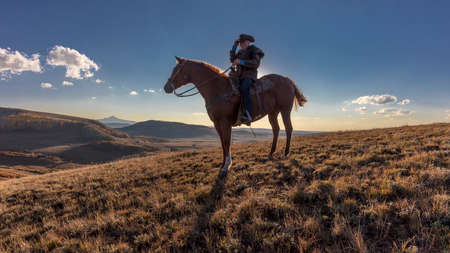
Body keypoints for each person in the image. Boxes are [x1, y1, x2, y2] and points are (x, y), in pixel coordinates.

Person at [229, 34, 264, 125]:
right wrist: (234, 47)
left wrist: (241, 62)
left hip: (249, 75)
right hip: (238, 76)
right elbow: (232, 59)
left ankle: (248, 115)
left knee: (244, 89)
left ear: (248, 42)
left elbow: (255, 63)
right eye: (240, 43)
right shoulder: (240, 52)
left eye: (242, 42)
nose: (241, 44)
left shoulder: (255, 50)